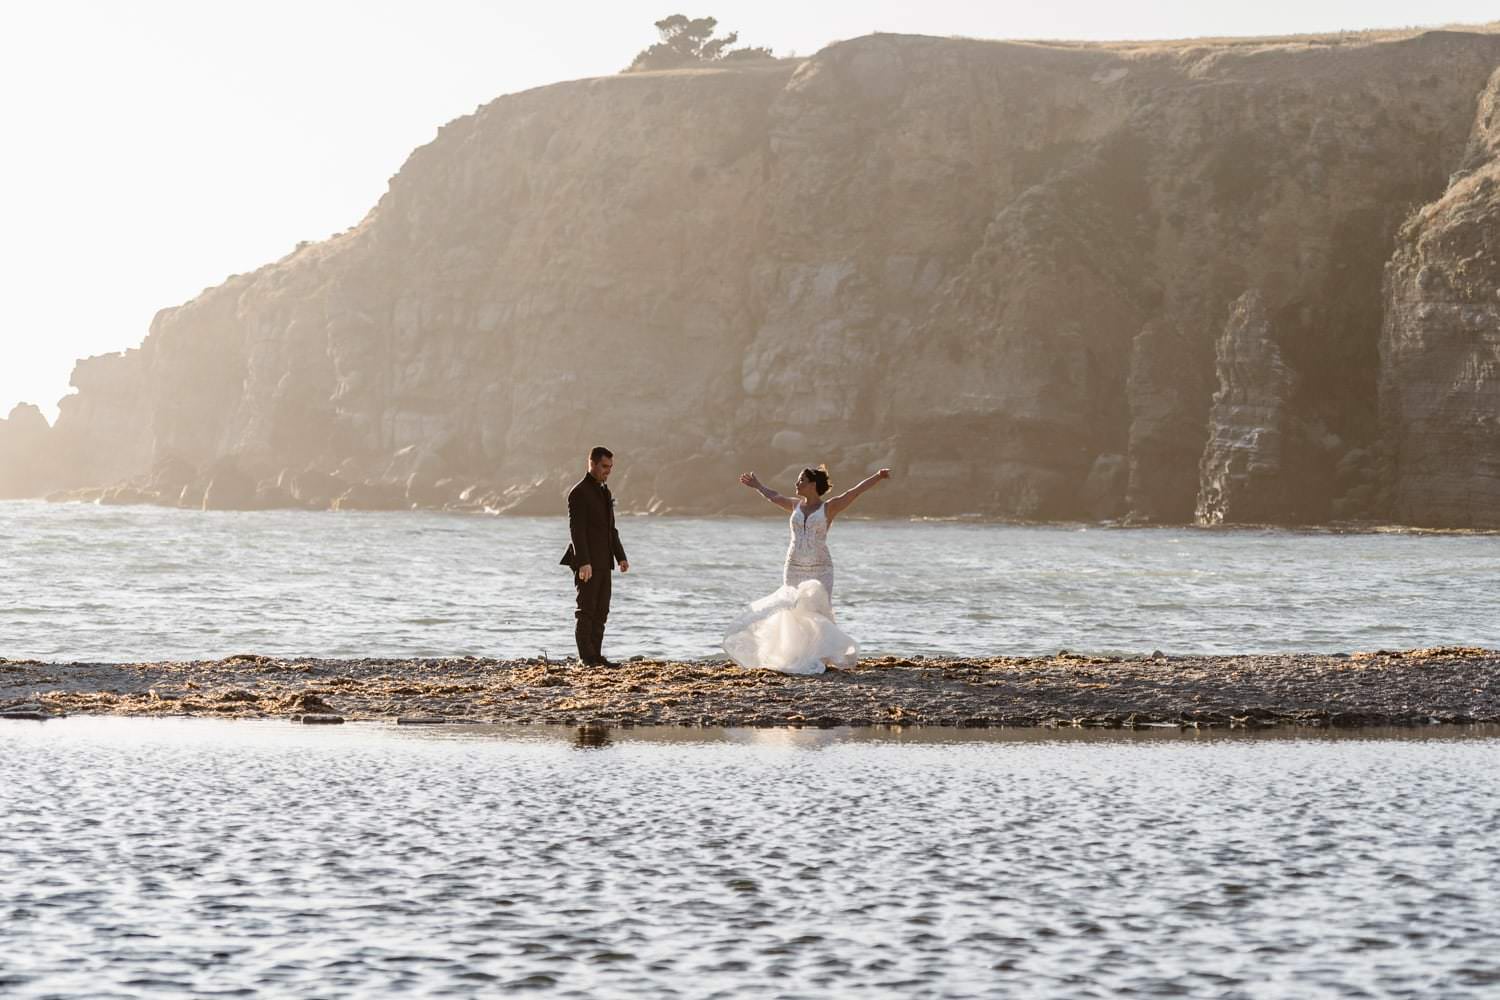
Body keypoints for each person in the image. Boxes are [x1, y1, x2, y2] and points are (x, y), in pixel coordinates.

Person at [723, 464, 892, 674]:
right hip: (793, 566)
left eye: (801, 480)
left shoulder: (829, 508)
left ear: (812, 485)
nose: (797, 483)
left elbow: (854, 492)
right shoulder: (795, 506)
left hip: (821, 568)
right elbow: (773, 496)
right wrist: (758, 485)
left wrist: (877, 476)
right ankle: (794, 654)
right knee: (792, 609)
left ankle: (820, 655)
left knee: (818, 611)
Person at [559, 446, 629, 666]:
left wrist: (621, 557)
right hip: (587, 562)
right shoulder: (578, 492)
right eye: (605, 467)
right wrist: (583, 562)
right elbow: (576, 530)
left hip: (604, 561)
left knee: (601, 610)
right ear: (592, 464)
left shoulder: (604, 491)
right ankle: (587, 658)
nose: (608, 471)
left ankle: (597, 656)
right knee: (586, 610)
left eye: (611, 467)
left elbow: (611, 529)